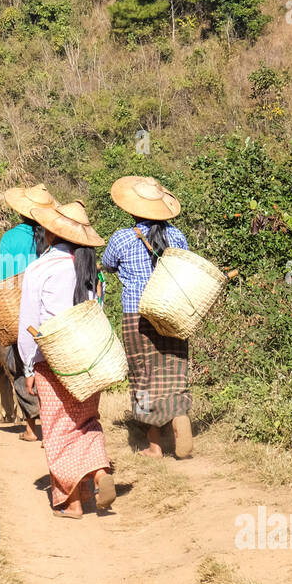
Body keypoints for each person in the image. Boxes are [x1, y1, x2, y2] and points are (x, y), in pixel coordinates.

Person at [17, 201, 116, 519]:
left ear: (50, 233)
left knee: (58, 428)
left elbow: (28, 324)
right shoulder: (90, 269)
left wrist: (29, 367)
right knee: (86, 422)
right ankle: (99, 472)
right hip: (87, 358)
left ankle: (72, 503)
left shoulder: (39, 269)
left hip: (52, 361)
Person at [101, 176, 194, 459]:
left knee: (142, 373)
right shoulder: (177, 236)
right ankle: (179, 417)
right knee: (173, 369)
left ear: (132, 208)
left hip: (137, 313)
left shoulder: (122, 237)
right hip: (172, 311)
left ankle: (154, 445)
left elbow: (107, 264)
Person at [0, 184, 56, 440]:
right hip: (51, 309)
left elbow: (2, 281)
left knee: (19, 363)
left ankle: (31, 427)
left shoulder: (10, 238)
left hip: (19, 310)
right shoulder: (54, 235)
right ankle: (55, 423)